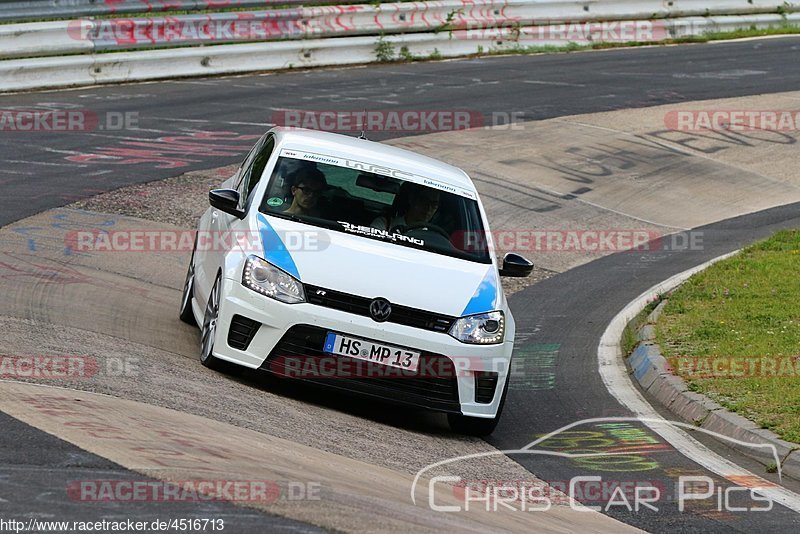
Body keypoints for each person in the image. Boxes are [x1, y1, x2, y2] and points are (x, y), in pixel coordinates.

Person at [371, 182, 440, 231]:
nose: (428, 208)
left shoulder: (432, 237)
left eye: (434, 204)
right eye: (423, 201)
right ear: (412, 200)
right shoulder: (383, 225)